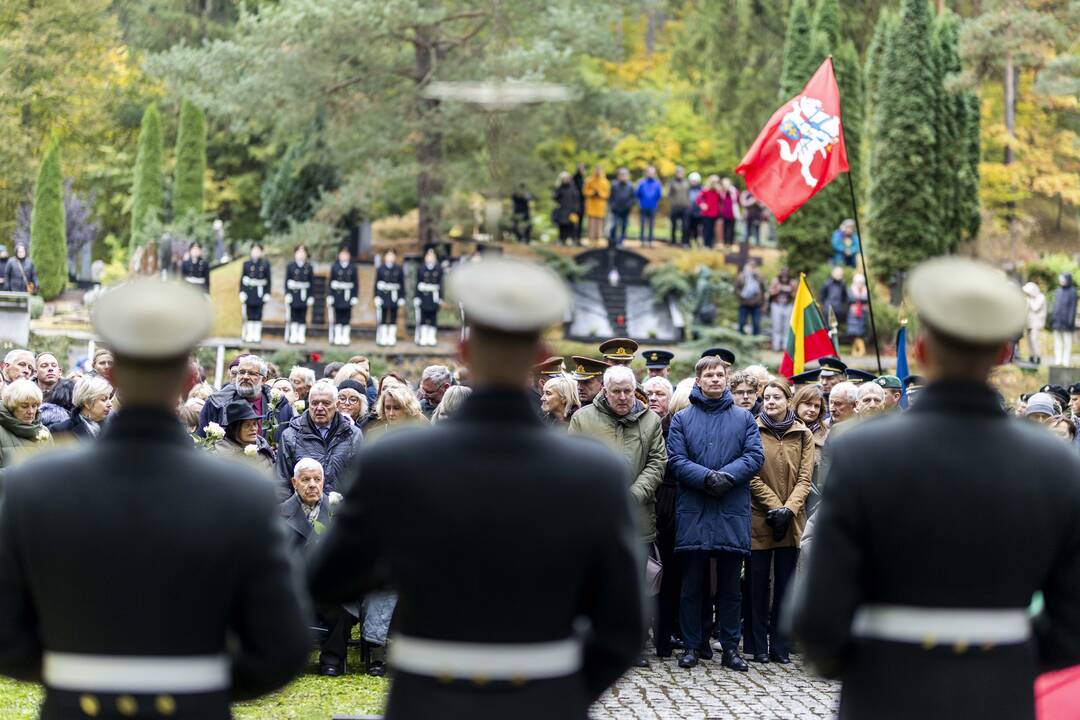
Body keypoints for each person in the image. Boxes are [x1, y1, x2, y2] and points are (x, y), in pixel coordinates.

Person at [308, 257, 645, 720]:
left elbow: (329, 578)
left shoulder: (398, 458)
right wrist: (559, 691)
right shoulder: (593, 472)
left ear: (463, 350)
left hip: (428, 699)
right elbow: (623, 626)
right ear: (538, 353)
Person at [0, 279, 309, 718]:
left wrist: (76, 673)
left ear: (108, 373)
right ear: (189, 378)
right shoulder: (241, 490)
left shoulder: (37, 483)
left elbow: (8, 637)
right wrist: (197, 682)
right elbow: (283, 647)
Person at [788, 256, 1080, 720]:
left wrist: (870, 663)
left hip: (884, 694)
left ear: (921, 350)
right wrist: (1006, 661)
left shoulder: (862, 451)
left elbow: (817, 618)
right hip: (1001, 696)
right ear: (1004, 355)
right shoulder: (1055, 462)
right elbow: (1071, 624)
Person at [667, 355, 764, 670]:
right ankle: (692, 646)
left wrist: (728, 476)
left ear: (726, 378)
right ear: (698, 380)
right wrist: (706, 477)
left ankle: (730, 649)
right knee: (691, 585)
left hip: (730, 508)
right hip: (695, 509)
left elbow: (754, 455)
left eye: (719, 375)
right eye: (708, 375)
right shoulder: (682, 419)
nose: (714, 379)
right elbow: (676, 460)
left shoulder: (744, 418)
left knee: (730, 588)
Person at [569, 364, 666, 668]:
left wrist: (633, 495)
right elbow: (574, 463)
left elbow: (657, 463)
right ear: (604, 390)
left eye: (627, 390)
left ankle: (631, 644)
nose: (623, 397)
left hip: (637, 518)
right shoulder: (583, 419)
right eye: (616, 391)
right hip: (594, 517)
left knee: (633, 585)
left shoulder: (650, 421)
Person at [745, 380, 812, 665]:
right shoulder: (751, 428)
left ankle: (780, 645)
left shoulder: (803, 433)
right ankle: (757, 644)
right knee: (757, 584)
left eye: (777, 397)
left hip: (792, 518)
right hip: (760, 516)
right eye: (767, 398)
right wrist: (775, 507)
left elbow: (805, 478)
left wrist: (789, 509)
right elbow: (750, 474)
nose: (771, 402)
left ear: (788, 400)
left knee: (786, 585)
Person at [279, 457, 354, 676]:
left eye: (317, 479)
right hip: (294, 584)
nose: (312, 484)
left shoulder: (338, 510)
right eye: (306, 479)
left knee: (343, 605)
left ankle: (332, 660)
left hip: (328, 583)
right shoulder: (280, 513)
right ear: (294, 483)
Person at [276, 380, 362, 494]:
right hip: (302, 509)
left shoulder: (353, 435)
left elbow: (360, 479)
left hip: (341, 508)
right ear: (309, 404)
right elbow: (281, 482)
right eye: (315, 403)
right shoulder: (290, 436)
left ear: (336, 405)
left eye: (326, 403)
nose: (320, 408)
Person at [198, 354, 295, 442]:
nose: (245, 377)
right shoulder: (216, 404)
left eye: (252, 373)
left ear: (264, 380)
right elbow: (201, 442)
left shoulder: (282, 407)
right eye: (241, 372)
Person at [0, 378, 52, 467]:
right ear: (11, 407)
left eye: (34, 406)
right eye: (24, 406)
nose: (31, 411)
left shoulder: (44, 431)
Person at [52, 375, 113, 442]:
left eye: (109, 398)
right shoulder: (61, 430)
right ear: (87, 403)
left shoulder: (115, 424)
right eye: (104, 399)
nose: (110, 404)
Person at [327, 245, 359, 347]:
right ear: (339, 255)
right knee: (338, 316)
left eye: (346, 254)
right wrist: (330, 295)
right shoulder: (334, 267)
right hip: (337, 295)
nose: (344, 256)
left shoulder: (352, 268)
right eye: (342, 254)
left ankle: (345, 337)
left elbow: (356, 283)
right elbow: (330, 283)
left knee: (346, 317)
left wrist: (355, 296)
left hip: (348, 296)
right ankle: (337, 337)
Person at [240, 242, 271, 344]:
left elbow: (268, 280)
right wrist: (242, 292)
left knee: (258, 314)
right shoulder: (246, 264)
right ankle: (249, 334)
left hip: (260, 293)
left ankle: (256, 335)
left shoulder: (265, 264)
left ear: (261, 252)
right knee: (250, 314)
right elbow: (242, 280)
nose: (256, 252)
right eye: (254, 250)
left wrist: (267, 293)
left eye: (258, 251)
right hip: (250, 292)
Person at [374, 249, 406, 347]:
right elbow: (376, 284)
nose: (390, 257)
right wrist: (376, 296)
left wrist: (401, 297)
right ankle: (383, 337)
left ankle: (391, 337)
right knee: (383, 316)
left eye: (392, 255)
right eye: (388, 255)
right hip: (384, 295)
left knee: (393, 316)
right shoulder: (380, 269)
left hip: (394, 296)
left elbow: (402, 284)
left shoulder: (398, 269)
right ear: (385, 257)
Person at [284, 244, 314, 345]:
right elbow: (286, 281)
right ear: (295, 253)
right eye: (299, 252)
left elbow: (311, 283)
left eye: (303, 252)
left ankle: (301, 335)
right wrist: (287, 294)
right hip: (294, 294)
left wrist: (310, 296)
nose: (301, 254)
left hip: (304, 294)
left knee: (302, 315)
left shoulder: (308, 267)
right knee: (294, 315)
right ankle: (293, 335)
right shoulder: (290, 266)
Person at [414, 248, 443, 347]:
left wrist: (440, 297)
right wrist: (417, 297)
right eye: (428, 255)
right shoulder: (421, 268)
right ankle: (423, 337)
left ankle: (431, 337)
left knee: (433, 317)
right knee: (423, 317)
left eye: (432, 256)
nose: (430, 258)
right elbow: (417, 283)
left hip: (434, 297)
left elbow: (441, 284)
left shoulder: (439, 269)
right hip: (424, 296)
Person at [1050, 272, 1077, 366]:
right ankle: (1058, 360)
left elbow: (1073, 308)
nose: (1061, 281)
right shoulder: (1058, 290)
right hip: (1057, 322)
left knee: (1067, 342)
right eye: (1060, 279)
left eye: (1063, 279)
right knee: (1057, 342)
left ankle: (1066, 361)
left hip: (1067, 323)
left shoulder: (1073, 291)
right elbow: (1055, 306)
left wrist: (1070, 321)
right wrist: (1053, 318)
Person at [768, 269, 797, 353]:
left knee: (787, 327)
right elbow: (770, 292)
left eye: (786, 275)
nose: (784, 277)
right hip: (777, 305)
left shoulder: (792, 282)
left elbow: (796, 295)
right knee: (776, 327)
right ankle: (776, 346)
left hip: (788, 306)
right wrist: (778, 289)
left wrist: (790, 290)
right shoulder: (775, 281)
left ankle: (785, 347)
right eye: (783, 275)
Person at [735, 260, 765, 337]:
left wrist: (762, 303)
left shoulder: (759, 276)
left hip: (756, 304)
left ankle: (756, 339)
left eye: (753, 267)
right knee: (742, 322)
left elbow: (763, 289)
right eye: (750, 266)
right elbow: (736, 288)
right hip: (745, 303)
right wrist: (741, 295)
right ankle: (741, 338)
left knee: (756, 323)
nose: (751, 268)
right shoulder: (741, 276)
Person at [552, 171, 581, 246]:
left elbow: (577, 200)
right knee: (562, 227)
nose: (566, 180)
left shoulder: (573, 188)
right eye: (564, 178)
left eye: (567, 178)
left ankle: (572, 240)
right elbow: (555, 198)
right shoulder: (559, 188)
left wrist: (576, 210)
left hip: (571, 211)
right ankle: (562, 240)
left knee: (571, 227)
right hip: (562, 211)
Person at [583, 165, 610, 245]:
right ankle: (590, 239)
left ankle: (598, 239)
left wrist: (600, 194)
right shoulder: (589, 180)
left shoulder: (605, 182)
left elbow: (607, 194)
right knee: (591, 223)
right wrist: (592, 193)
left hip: (600, 206)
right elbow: (585, 191)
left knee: (599, 224)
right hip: (591, 205)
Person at [636, 166, 662, 247]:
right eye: (649, 172)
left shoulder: (657, 183)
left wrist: (655, 203)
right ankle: (642, 240)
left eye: (652, 173)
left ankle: (650, 240)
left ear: (654, 174)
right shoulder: (641, 182)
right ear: (646, 173)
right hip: (643, 206)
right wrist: (640, 202)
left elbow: (659, 195)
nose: (650, 174)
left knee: (651, 224)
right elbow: (638, 194)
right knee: (643, 224)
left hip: (653, 207)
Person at [608, 168, 634, 247]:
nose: (623, 177)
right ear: (618, 176)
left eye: (624, 175)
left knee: (624, 226)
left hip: (625, 210)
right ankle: (612, 241)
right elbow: (610, 197)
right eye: (621, 175)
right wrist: (612, 206)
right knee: (614, 225)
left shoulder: (630, 186)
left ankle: (621, 241)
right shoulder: (614, 185)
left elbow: (633, 198)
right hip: (616, 210)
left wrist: (629, 205)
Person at [1022, 281, 1047, 364]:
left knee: (1034, 339)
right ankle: (1031, 356)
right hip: (1029, 322)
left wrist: (1029, 300)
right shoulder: (1029, 298)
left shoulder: (1041, 297)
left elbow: (1035, 308)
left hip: (1037, 323)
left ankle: (1038, 356)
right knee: (1029, 340)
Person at [667, 166, 690, 246]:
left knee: (685, 226)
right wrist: (672, 203)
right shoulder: (672, 182)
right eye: (679, 172)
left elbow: (688, 194)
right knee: (674, 226)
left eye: (682, 172)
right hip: (675, 207)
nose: (680, 174)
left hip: (685, 207)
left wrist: (688, 204)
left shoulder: (687, 183)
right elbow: (669, 195)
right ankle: (673, 241)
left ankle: (684, 242)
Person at [695, 175, 721, 248]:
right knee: (706, 229)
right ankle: (706, 244)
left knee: (712, 230)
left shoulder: (718, 191)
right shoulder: (705, 190)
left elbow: (721, 200)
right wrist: (702, 205)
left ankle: (710, 244)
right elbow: (698, 199)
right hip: (706, 214)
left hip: (715, 213)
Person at [847, 274, 870, 357]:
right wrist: (860, 300)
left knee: (861, 333)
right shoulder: (851, 290)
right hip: (854, 313)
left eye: (861, 283)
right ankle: (858, 350)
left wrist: (858, 300)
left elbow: (865, 300)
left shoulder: (865, 290)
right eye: (858, 282)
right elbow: (850, 299)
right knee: (855, 333)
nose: (860, 284)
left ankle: (859, 350)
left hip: (862, 314)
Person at [820, 267, 848, 332]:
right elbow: (822, 295)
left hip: (838, 310)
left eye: (841, 274)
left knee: (835, 329)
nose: (840, 275)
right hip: (828, 310)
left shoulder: (842, 284)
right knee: (827, 328)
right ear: (833, 273)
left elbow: (844, 296)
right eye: (838, 274)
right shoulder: (827, 284)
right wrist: (826, 305)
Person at [718, 178, 739, 247]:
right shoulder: (721, 191)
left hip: (732, 212)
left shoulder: (734, 190)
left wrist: (729, 191)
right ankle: (725, 242)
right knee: (725, 228)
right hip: (724, 212)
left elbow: (736, 199)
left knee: (732, 228)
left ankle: (731, 242)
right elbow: (720, 199)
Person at [686, 172, 704, 245]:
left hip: (698, 211)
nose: (693, 182)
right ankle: (688, 241)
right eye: (692, 180)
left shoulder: (701, 188)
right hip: (689, 210)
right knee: (689, 227)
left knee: (697, 227)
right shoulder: (688, 188)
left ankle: (696, 241)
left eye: (695, 180)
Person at [572, 163, 587, 243]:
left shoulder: (583, 179)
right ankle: (574, 238)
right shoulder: (574, 178)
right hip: (575, 204)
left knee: (580, 222)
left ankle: (578, 239)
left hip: (581, 204)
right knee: (574, 222)